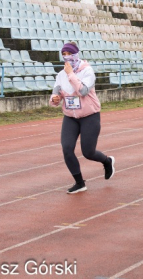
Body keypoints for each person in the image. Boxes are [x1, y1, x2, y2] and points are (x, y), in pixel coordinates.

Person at [50, 42, 115, 194]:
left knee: (88, 152)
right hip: (70, 117)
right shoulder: (61, 75)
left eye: (69, 54)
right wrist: (54, 99)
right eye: (64, 55)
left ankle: (107, 161)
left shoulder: (87, 71)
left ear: (76, 54)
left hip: (89, 116)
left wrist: (71, 74)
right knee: (67, 149)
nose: (67, 58)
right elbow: (56, 92)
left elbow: (83, 91)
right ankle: (79, 183)